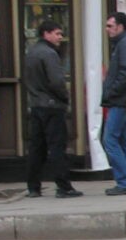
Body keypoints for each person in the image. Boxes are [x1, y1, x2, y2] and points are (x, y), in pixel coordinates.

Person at [23, 21, 82, 198]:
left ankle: (33, 186)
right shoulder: (49, 54)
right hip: (52, 106)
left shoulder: (31, 53)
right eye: (57, 33)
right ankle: (63, 186)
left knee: (36, 147)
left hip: (36, 105)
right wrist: (65, 97)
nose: (60, 37)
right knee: (57, 146)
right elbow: (57, 81)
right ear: (46, 34)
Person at [101, 12, 126, 194]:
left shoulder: (125, 45)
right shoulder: (123, 44)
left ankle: (124, 181)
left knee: (110, 139)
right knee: (122, 139)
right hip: (121, 100)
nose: (107, 29)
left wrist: (112, 91)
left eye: (110, 26)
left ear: (120, 27)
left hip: (120, 101)